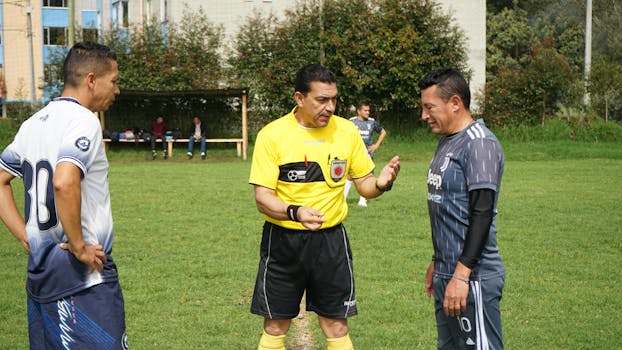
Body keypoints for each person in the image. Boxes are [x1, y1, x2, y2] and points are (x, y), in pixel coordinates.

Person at [248, 63, 400, 350]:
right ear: (299, 98)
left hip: (331, 242)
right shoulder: (272, 135)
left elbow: (364, 183)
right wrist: (296, 212)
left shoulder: (346, 131)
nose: (330, 107)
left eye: (334, 99)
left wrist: (381, 184)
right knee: (275, 324)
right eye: (321, 100)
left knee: (336, 324)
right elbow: (263, 198)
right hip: (283, 241)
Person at [0, 41, 127, 349]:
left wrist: (24, 235)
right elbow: (64, 181)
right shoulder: (84, 121)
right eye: (114, 80)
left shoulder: (32, 124)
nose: (118, 89)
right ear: (92, 80)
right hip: (82, 280)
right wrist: (81, 248)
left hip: (41, 275)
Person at [419, 68, 505, 349]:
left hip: (472, 277)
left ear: (455, 103)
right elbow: (448, 209)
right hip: (448, 271)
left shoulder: (479, 144)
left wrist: (460, 274)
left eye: (429, 107)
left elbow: (482, 213)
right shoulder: (447, 141)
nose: (424, 115)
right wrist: (438, 260)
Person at [343, 102, 387, 207]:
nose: (368, 112)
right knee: (349, 176)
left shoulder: (371, 122)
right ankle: (342, 199)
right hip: (353, 154)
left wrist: (376, 145)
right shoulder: (351, 122)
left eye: (368, 110)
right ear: (359, 111)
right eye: (365, 110)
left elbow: (383, 132)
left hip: (367, 154)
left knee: (366, 176)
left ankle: (362, 201)